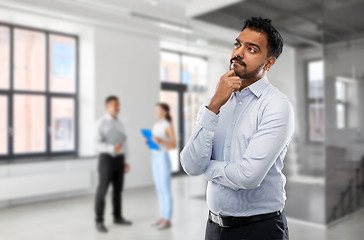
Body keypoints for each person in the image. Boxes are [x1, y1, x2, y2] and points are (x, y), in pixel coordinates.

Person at [180, 17, 294, 240]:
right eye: (237, 44)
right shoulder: (216, 101)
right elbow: (190, 164)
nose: (238, 53)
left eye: (251, 49)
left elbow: (247, 177)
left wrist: (207, 169)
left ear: (269, 63)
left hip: (260, 229)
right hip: (214, 227)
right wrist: (213, 106)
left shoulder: (276, 106)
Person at [94, 96, 132, 233]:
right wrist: (111, 148)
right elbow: (96, 145)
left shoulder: (120, 123)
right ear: (107, 106)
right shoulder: (101, 123)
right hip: (106, 159)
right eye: (115, 105)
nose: (118, 107)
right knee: (102, 190)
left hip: (119, 159)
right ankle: (99, 220)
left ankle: (117, 216)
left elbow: (125, 143)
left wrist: (126, 161)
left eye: (118, 105)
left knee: (118, 190)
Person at [144, 103, 176, 230]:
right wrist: (149, 141)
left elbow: (173, 145)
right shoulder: (156, 125)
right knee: (159, 188)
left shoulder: (168, 126)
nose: (156, 112)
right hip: (154, 157)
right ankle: (162, 216)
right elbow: (155, 141)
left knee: (165, 188)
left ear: (164, 112)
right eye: (155, 109)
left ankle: (167, 219)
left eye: (158, 110)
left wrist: (161, 141)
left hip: (163, 158)